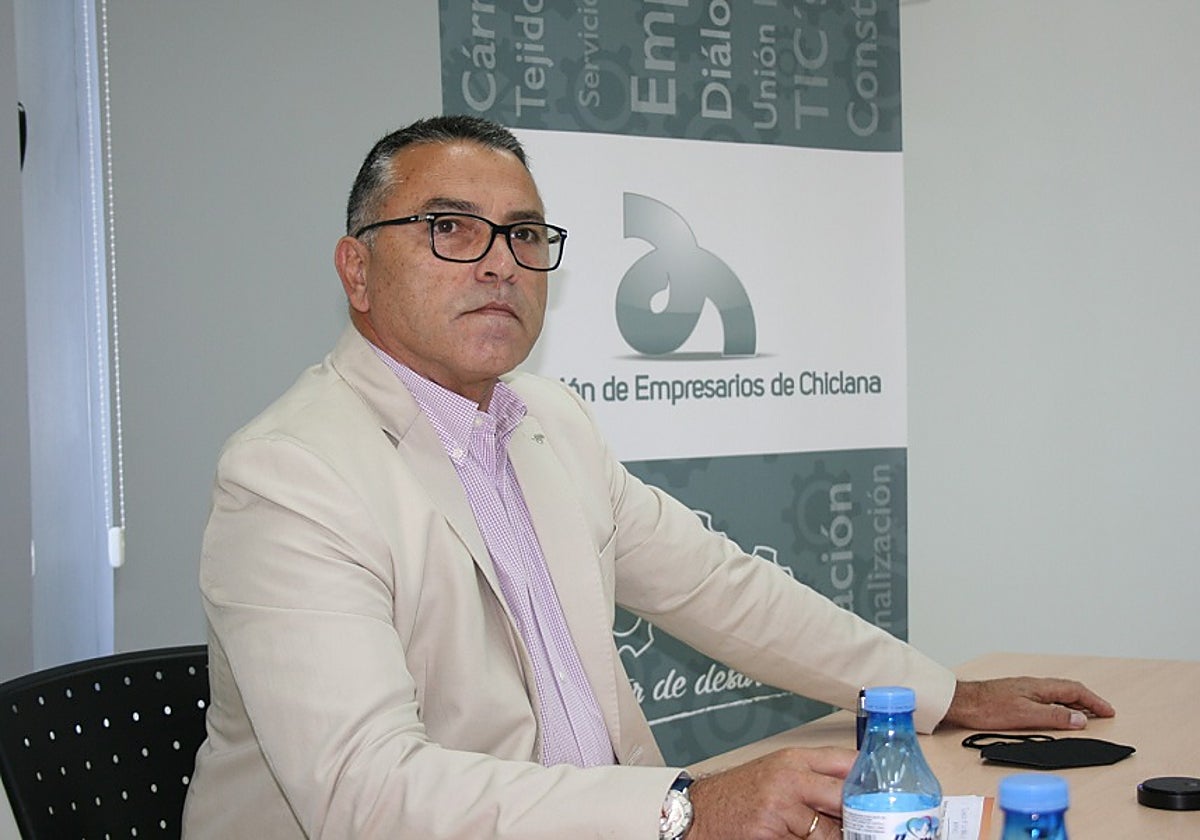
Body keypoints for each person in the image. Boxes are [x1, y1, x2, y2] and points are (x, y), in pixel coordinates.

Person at [181, 115, 1113, 840]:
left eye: (524, 234)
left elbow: (722, 589)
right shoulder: (291, 475)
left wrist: (939, 696)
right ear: (357, 270)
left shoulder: (550, 423)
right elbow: (365, 791)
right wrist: (684, 810)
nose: (500, 263)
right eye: (450, 229)